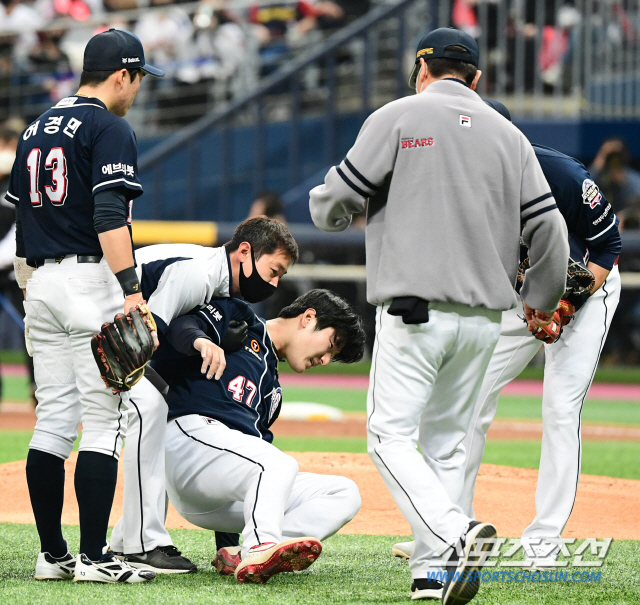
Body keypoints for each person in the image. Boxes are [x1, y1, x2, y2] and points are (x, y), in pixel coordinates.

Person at [309, 27, 569, 604]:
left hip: (414, 313)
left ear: (421, 68)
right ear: (476, 78)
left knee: (387, 437)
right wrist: (542, 302)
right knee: (447, 446)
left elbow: (334, 203)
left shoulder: (397, 115)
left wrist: (330, 213)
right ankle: (431, 580)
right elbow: (550, 229)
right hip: (484, 322)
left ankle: (455, 532)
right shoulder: (510, 136)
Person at [391, 100, 622, 570]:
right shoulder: (457, 183)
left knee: (559, 410)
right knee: (468, 402)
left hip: (586, 289)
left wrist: (564, 305)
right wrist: (527, 306)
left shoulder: (559, 173)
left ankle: (545, 542)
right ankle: (453, 531)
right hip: (520, 296)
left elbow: (607, 245)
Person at [7, 29, 164, 584]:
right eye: (139, 77)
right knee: (103, 424)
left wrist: (32, 289)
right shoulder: (109, 126)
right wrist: (131, 291)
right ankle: (96, 559)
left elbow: (20, 216)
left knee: (52, 422)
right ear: (122, 74)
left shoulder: (34, 126)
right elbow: (107, 217)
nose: (139, 89)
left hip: (39, 281)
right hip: (88, 279)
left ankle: (52, 555)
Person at [109, 216, 299, 573]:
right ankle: (142, 543)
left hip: (103, 317)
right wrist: (199, 340)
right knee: (149, 408)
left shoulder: (214, 276)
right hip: (98, 317)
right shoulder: (199, 273)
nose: (274, 283)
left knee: (151, 409)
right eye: (274, 270)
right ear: (245, 252)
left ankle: (126, 539)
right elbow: (147, 334)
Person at [161, 288, 365, 584]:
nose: (325, 360)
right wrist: (202, 339)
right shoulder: (242, 319)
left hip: (217, 490)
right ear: (308, 318)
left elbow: (245, 462)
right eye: (332, 345)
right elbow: (180, 326)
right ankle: (260, 547)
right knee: (278, 463)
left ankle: (244, 553)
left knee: (344, 492)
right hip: (188, 440)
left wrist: (223, 548)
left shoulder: (273, 392)